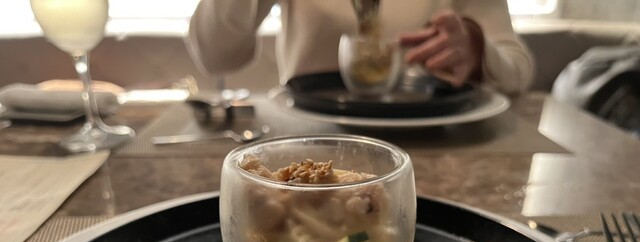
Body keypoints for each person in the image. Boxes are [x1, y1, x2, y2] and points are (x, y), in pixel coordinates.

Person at [187, 0, 534, 95]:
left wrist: (478, 49)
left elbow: (519, 69)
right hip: (308, 144)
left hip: (438, 146)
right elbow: (215, 55)